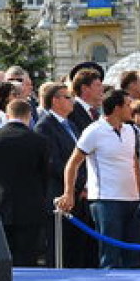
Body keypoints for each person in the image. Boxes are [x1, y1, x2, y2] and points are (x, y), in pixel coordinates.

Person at [55, 88, 140, 269]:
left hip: (131, 200)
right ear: (117, 108)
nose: (130, 109)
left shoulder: (130, 131)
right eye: (127, 105)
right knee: (110, 255)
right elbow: (73, 163)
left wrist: (139, 194)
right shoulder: (94, 131)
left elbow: (133, 161)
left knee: (132, 257)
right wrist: (68, 193)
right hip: (106, 201)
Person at [0, 98, 49, 266]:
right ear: (29, 115)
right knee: (27, 257)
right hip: (29, 206)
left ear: (8, 115)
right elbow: (44, 175)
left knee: (0, 259)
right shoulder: (39, 141)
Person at [35, 80, 95, 268]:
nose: (73, 102)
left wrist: (86, 184)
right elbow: (54, 163)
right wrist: (78, 184)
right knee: (60, 247)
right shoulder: (45, 127)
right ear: (55, 101)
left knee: (77, 247)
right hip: (60, 193)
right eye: (68, 98)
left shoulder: (72, 125)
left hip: (80, 193)